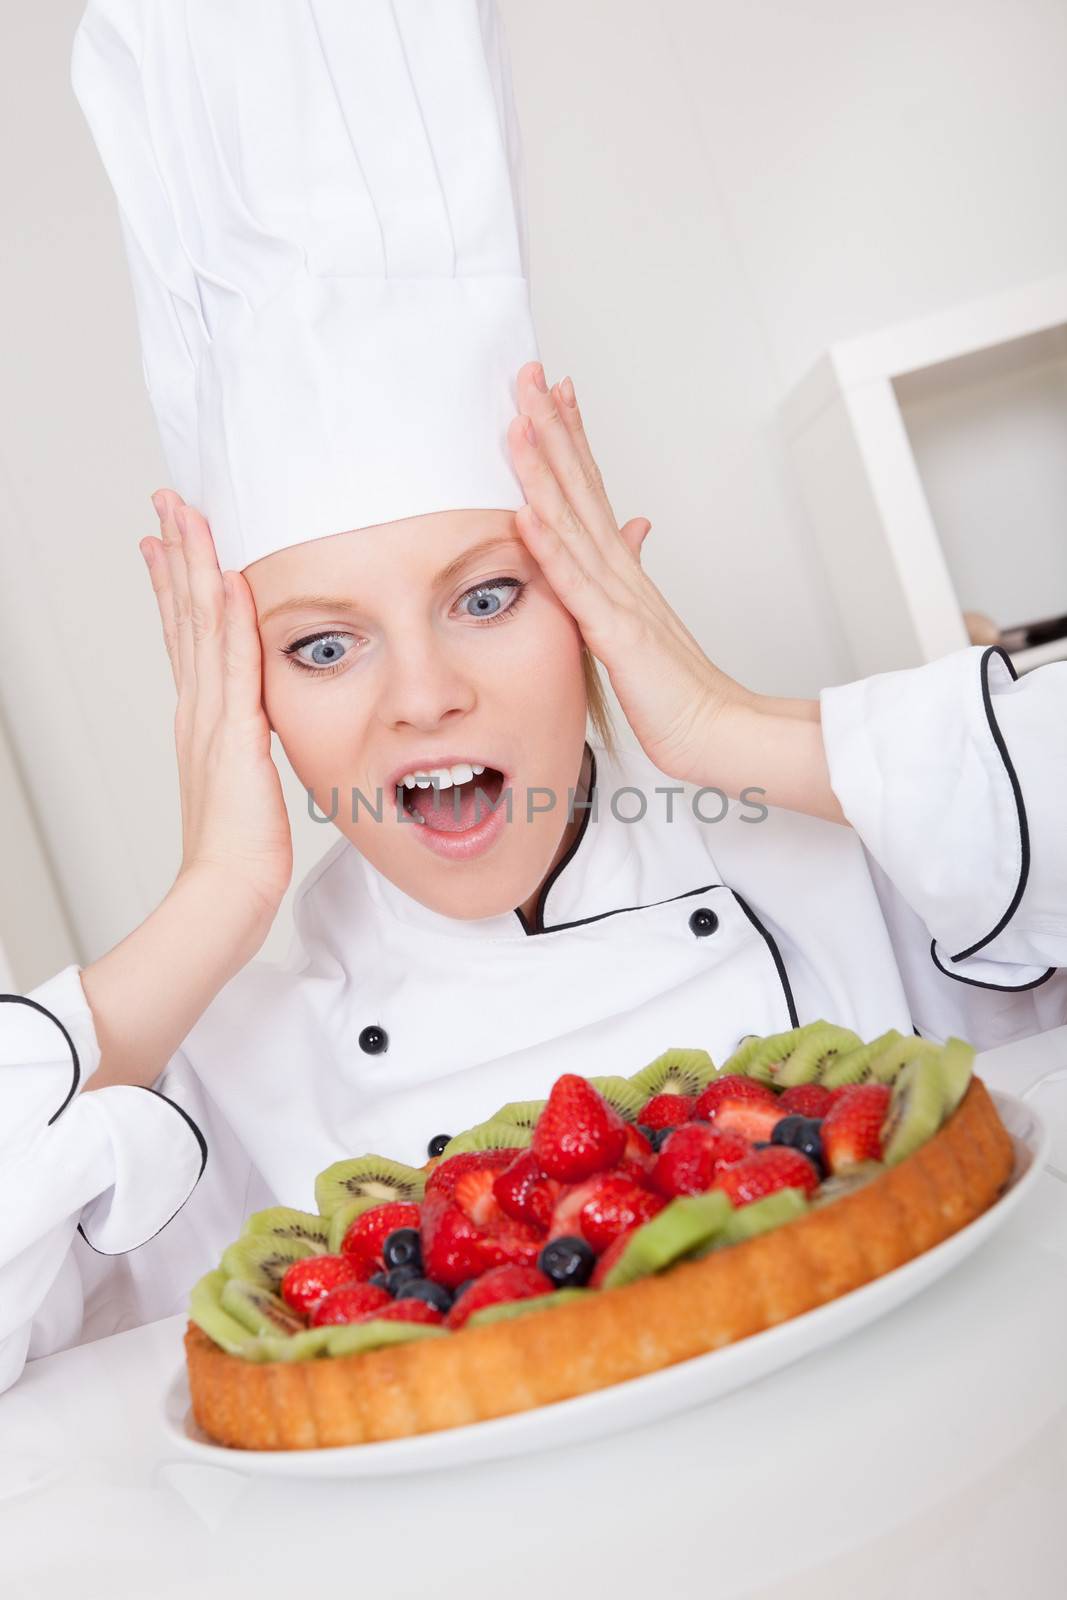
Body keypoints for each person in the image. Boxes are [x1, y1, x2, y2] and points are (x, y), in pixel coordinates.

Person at [1, 0, 1064, 1397]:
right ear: (243, 704)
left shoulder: (871, 860)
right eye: (324, 648)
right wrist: (212, 898)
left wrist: (728, 730)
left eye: (488, 597)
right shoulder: (225, 1068)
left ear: (592, 601)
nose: (425, 697)